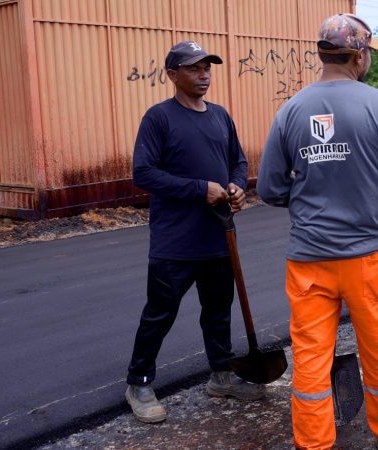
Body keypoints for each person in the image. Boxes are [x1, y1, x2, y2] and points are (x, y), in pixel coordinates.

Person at [257, 13, 378, 449]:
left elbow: (269, 189)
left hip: (309, 260)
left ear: (323, 54)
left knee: (310, 361)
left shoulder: (291, 110)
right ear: (359, 56)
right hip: (370, 260)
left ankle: (313, 443)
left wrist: (308, 197)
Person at [125, 40, 264, 424]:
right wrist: (199, 189)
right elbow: (143, 173)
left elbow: (238, 162)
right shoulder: (159, 118)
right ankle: (138, 382)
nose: (203, 75)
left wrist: (237, 186)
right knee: (160, 313)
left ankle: (221, 376)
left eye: (207, 68)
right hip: (175, 240)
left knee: (218, 311)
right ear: (172, 75)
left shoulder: (220, 116)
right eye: (193, 68)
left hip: (219, 235)